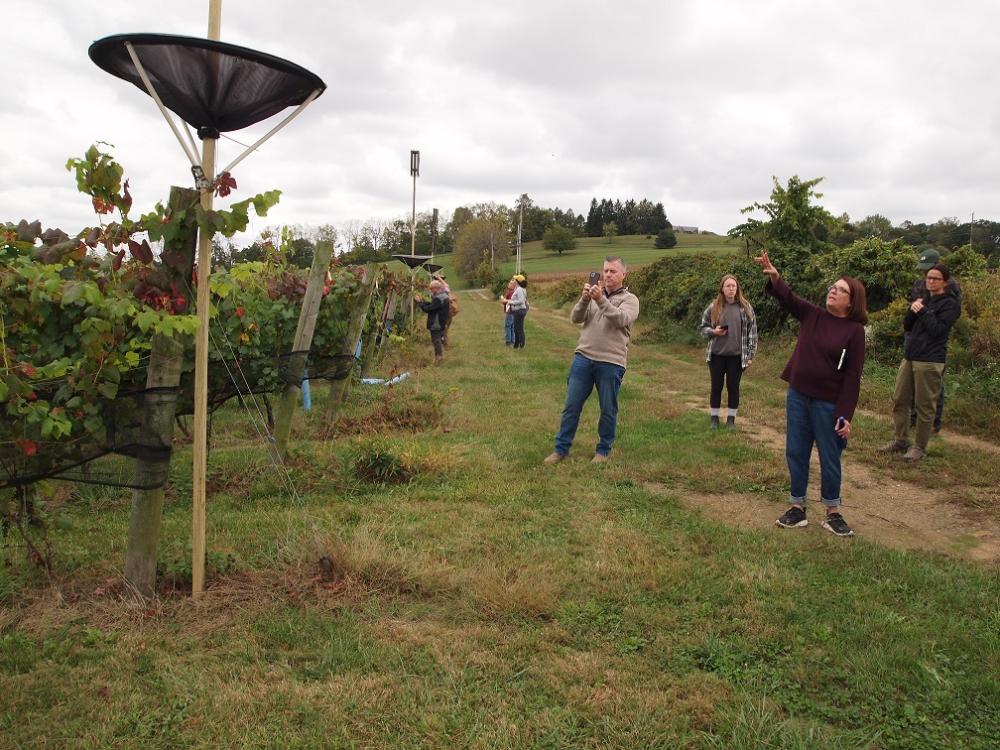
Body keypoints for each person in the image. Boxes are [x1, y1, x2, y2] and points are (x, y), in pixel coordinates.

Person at [754, 250, 867, 537]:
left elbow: (853, 378)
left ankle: (833, 511)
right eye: (833, 286)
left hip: (828, 404)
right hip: (798, 396)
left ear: (851, 301)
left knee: (830, 456)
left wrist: (845, 414)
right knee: (796, 451)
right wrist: (776, 277)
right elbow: (789, 298)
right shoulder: (813, 315)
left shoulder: (854, 331)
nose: (833, 290)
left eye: (841, 290)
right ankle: (797, 507)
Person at [544, 257, 640, 464]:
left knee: (607, 409)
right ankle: (561, 449)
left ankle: (603, 451)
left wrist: (600, 300)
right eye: (605, 271)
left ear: (624, 274)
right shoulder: (595, 295)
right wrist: (585, 299)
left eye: (613, 271)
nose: (607, 275)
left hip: (611, 362)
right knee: (571, 406)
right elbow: (575, 318)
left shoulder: (630, 300)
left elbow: (621, 319)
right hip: (583, 358)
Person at [881, 262, 961, 462]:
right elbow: (907, 325)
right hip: (910, 356)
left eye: (935, 278)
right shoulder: (924, 299)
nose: (931, 281)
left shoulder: (950, 304)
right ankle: (900, 440)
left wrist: (924, 312)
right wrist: (913, 309)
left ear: (945, 282)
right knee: (900, 399)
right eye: (929, 278)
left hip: (930, 359)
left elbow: (938, 330)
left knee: (924, 406)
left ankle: (919, 447)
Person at [907, 249, 962, 432]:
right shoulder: (919, 284)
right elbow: (913, 308)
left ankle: (933, 423)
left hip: (934, 343)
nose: (928, 277)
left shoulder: (951, 288)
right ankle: (914, 418)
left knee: (934, 384)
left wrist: (925, 313)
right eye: (925, 272)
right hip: (915, 338)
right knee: (914, 383)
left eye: (931, 271)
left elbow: (947, 317)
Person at [699, 274, 758, 430]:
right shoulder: (714, 307)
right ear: (722, 289)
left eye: (733, 286)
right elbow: (702, 329)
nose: (731, 289)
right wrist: (713, 332)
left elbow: (753, 332)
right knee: (716, 386)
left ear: (737, 288)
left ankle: (731, 419)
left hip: (737, 356)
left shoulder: (745, 307)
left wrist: (751, 355)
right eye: (728, 286)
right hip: (716, 355)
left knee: (733, 387)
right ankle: (714, 419)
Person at [417, 279, 450, 362]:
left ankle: (439, 357)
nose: (430, 290)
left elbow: (429, 309)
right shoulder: (444, 295)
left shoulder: (438, 298)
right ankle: (439, 356)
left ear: (436, 288)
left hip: (436, 322)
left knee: (436, 340)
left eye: (431, 289)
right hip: (442, 321)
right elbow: (433, 305)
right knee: (438, 338)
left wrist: (420, 302)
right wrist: (424, 302)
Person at [508, 274, 528, 349]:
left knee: (517, 328)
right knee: (519, 328)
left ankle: (518, 344)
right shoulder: (523, 289)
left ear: (518, 281)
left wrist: (510, 302)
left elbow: (520, 301)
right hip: (522, 310)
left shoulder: (519, 289)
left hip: (519, 310)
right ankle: (520, 344)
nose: (514, 281)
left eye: (516, 280)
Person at [501, 278, 517, 346]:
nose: (508, 284)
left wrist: (502, 299)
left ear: (513, 285)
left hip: (510, 312)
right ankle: (512, 341)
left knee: (508, 326)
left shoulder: (511, 293)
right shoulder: (515, 292)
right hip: (514, 312)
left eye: (510, 283)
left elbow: (508, 302)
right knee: (512, 327)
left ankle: (508, 341)